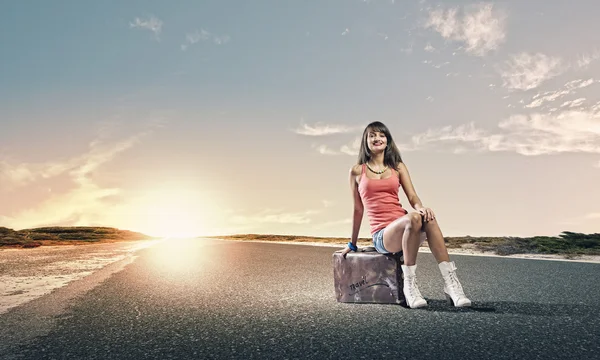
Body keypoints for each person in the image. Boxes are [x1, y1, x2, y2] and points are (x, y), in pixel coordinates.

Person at [341, 121, 472, 309]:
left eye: (381, 135)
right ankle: (410, 286)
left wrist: (420, 207)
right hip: (383, 235)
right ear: (365, 141)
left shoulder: (398, 167)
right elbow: (357, 210)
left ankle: (451, 284)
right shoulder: (356, 171)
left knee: (427, 216)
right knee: (413, 218)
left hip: (408, 226)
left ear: (387, 140)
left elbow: (411, 195)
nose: (377, 138)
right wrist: (352, 244)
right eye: (372, 135)